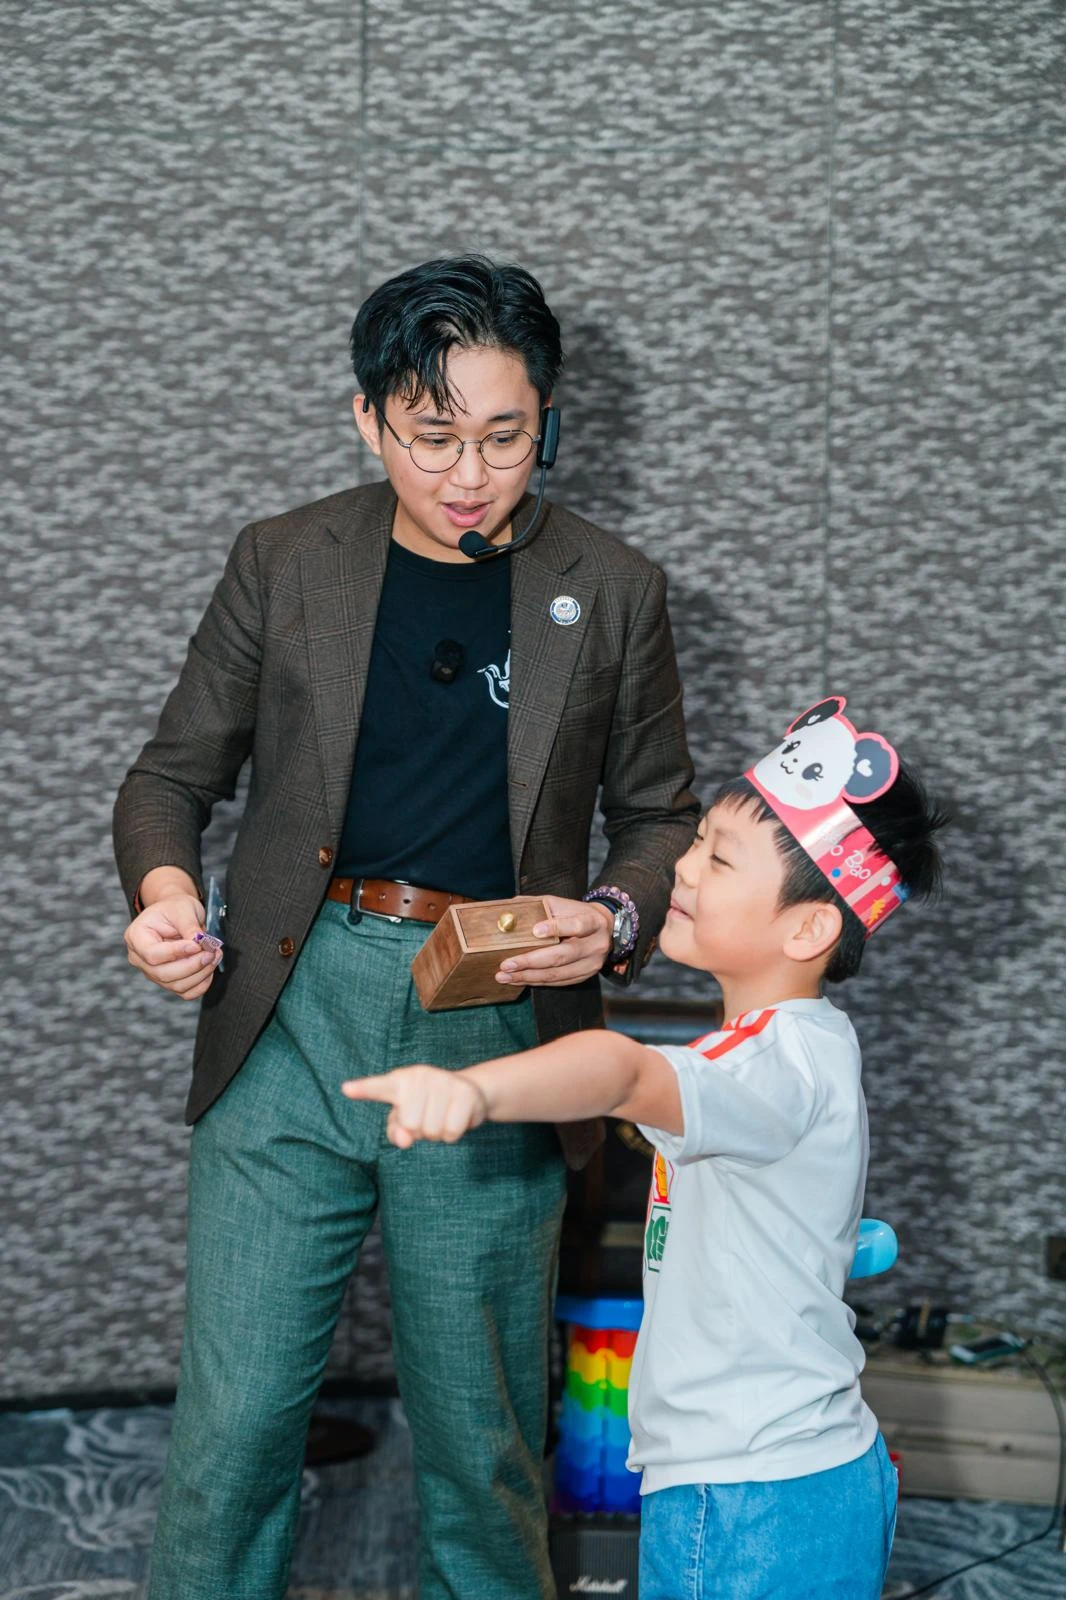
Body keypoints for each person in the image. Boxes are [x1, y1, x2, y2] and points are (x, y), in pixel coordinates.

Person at [113, 254, 699, 1600]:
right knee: (236, 1426)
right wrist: (161, 894)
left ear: (547, 420)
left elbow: (660, 816)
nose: (468, 474)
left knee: (478, 1438)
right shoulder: (284, 559)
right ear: (367, 419)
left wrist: (611, 916)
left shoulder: (609, 587)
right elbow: (168, 777)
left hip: (493, 1031)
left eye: (504, 436)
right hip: (285, 1015)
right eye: (432, 436)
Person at [345, 697, 949, 1600]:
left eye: (717, 856)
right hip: (803, 1469)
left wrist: (477, 1090)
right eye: (695, 841)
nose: (684, 869)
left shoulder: (762, 1064)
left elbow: (621, 1071)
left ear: (808, 929)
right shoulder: (814, 1044)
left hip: (745, 1492)